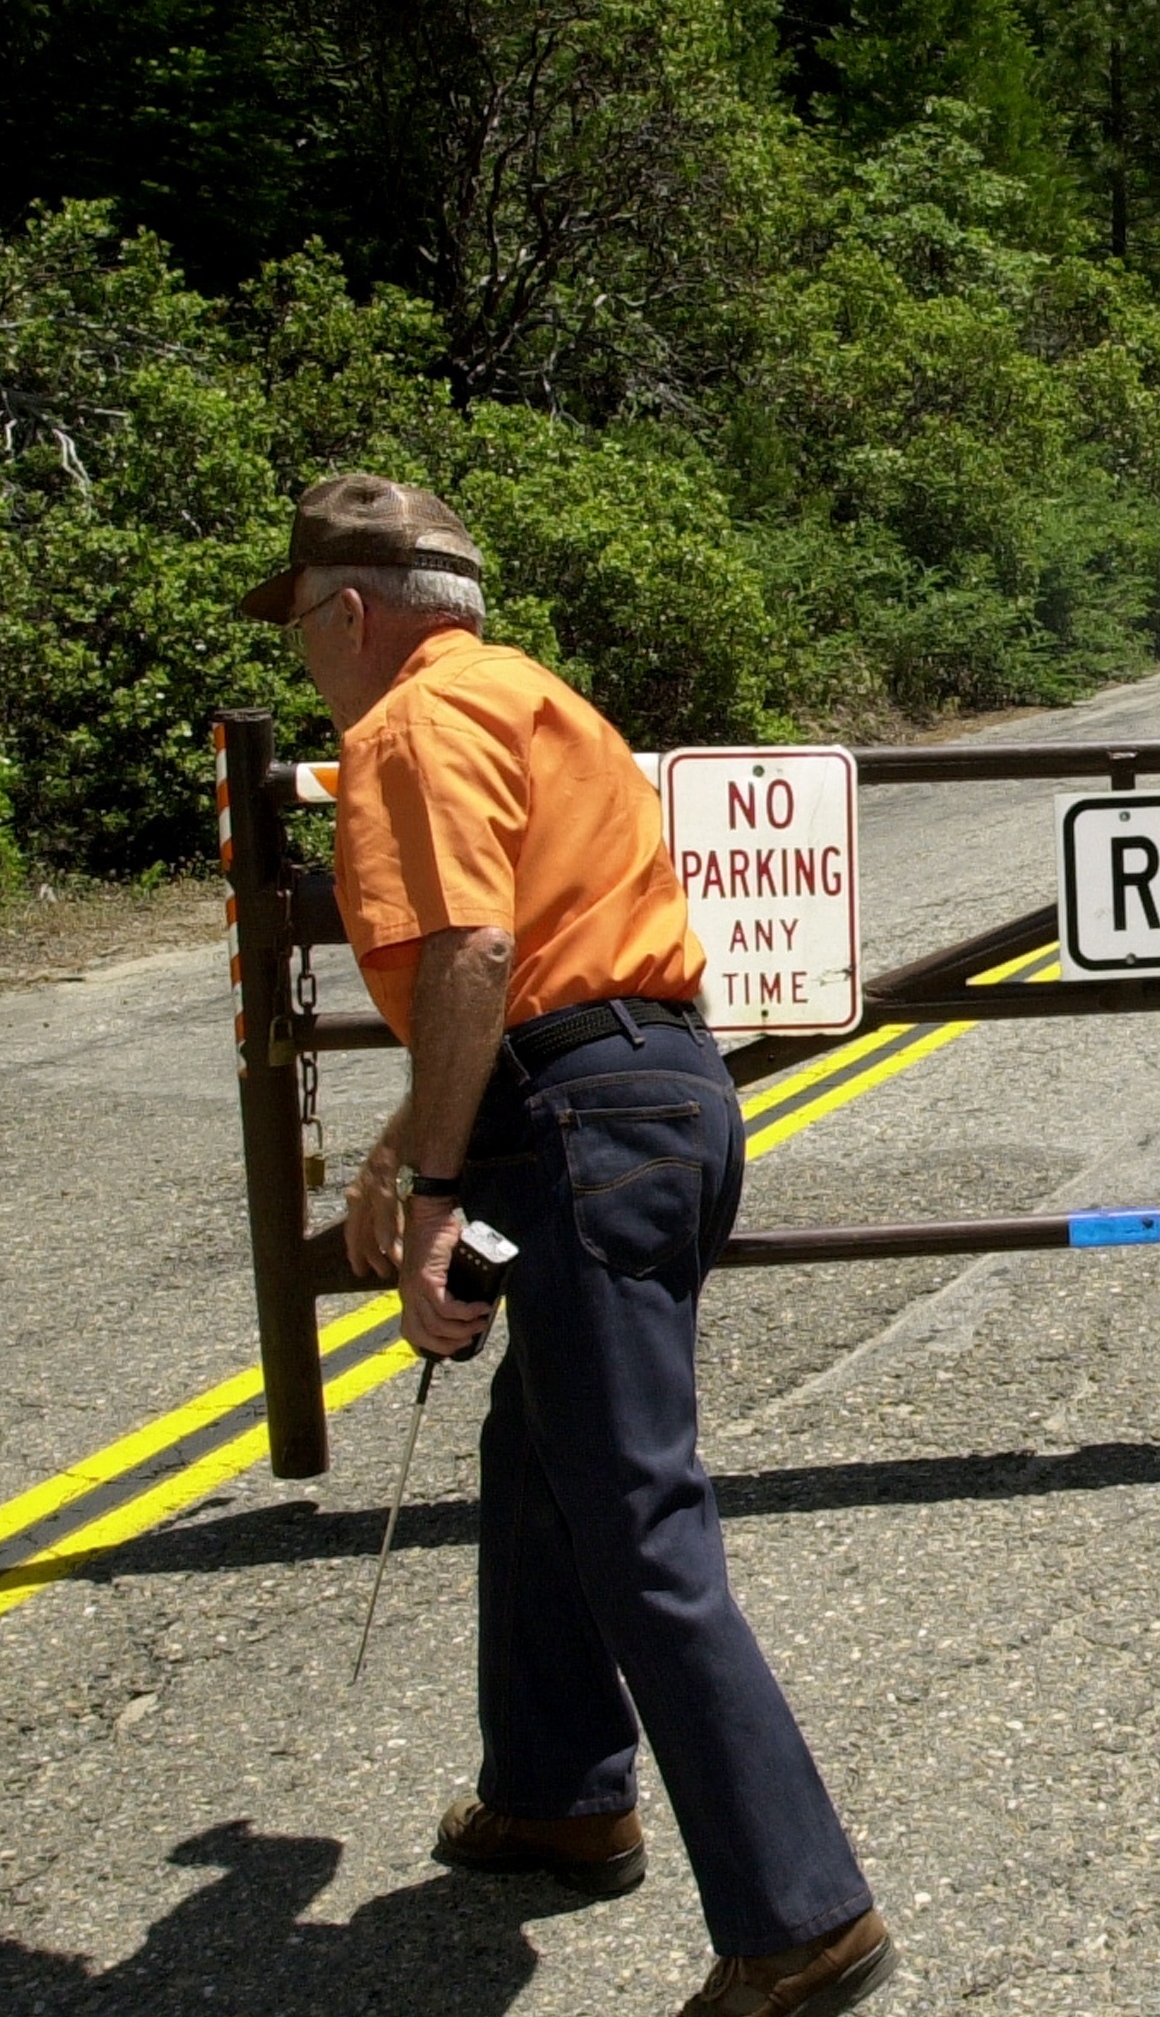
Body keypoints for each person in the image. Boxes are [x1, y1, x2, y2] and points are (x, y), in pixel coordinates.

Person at [241, 474, 894, 2017]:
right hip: (660, 1089)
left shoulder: (402, 726)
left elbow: (473, 951)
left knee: (635, 1513)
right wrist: (415, 1143)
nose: (303, 657)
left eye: (303, 623)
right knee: (542, 1457)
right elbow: (529, 956)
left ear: (353, 608)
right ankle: (558, 1789)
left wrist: (438, 1181)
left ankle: (803, 1914)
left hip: (569, 1119)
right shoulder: (539, 697)